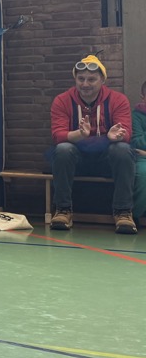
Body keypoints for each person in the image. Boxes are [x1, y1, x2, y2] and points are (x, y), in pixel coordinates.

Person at [48, 55, 136, 234]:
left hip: (106, 160)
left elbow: (126, 134)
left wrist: (113, 137)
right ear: (75, 79)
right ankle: (63, 210)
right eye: (81, 79)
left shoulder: (118, 100)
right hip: (77, 160)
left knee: (123, 149)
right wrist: (80, 134)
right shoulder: (62, 100)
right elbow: (58, 136)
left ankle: (123, 212)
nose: (85, 84)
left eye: (91, 79)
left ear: (102, 80)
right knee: (63, 149)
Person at [132, 80, 146, 228]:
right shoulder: (136, 116)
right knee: (143, 174)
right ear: (143, 97)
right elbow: (137, 142)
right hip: (142, 159)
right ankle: (135, 215)